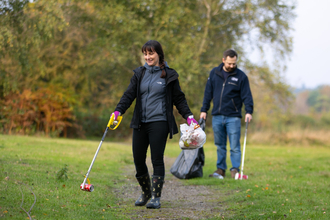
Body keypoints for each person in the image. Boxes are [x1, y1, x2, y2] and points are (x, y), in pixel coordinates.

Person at [111, 40, 198, 209]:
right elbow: (128, 95)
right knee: (138, 159)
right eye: (145, 53)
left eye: (151, 53)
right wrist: (117, 112)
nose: (147, 57)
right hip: (140, 123)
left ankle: (156, 197)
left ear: (159, 54)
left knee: (157, 159)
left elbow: (179, 99)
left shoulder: (169, 75)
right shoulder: (139, 74)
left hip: (159, 122)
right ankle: (146, 192)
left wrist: (189, 117)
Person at [200, 49, 253, 179]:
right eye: (229, 63)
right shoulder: (214, 73)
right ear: (223, 60)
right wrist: (203, 110)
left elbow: (247, 95)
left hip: (233, 116)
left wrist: (248, 111)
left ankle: (235, 170)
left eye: (234, 63)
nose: (232, 66)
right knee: (220, 145)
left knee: (235, 146)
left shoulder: (241, 77)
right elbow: (208, 93)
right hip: (217, 115)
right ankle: (220, 170)